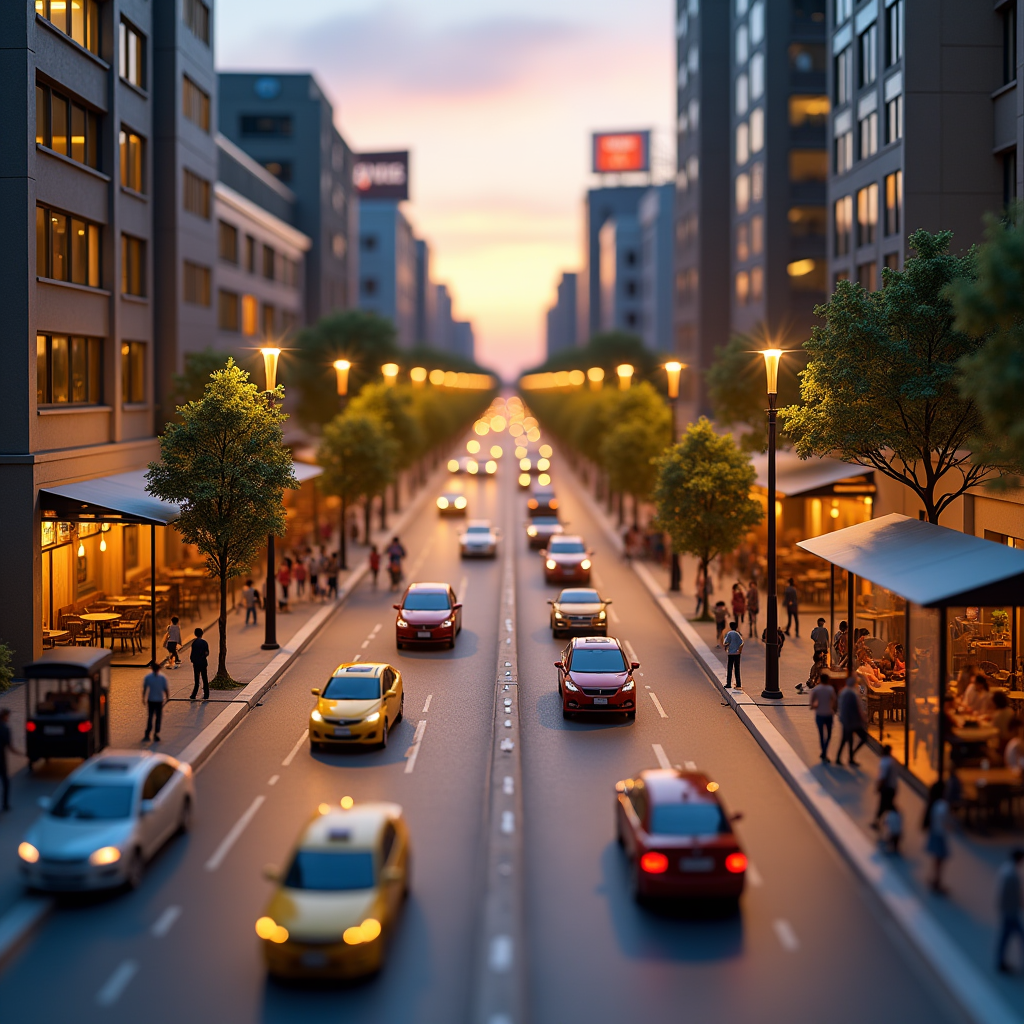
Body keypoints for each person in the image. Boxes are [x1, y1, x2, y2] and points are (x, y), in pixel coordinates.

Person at [995, 849, 1024, 973]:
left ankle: (1001, 961)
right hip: (1010, 912)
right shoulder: (1011, 874)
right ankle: (1001, 962)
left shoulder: (1006, 869)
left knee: (1005, 938)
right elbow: (1013, 895)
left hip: (1008, 911)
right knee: (1015, 936)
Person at [923, 781, 951, 894]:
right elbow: (945, 821)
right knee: (940, 860)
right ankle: (937, 881)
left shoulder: (934, 804)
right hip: (940, 835)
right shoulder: (943, 805)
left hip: (934, 833)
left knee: (936, 859)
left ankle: (934, 879)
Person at [836, 674, 868, 767]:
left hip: (846, 719)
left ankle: (845, 757)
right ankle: (851, 756)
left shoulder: (843, 692)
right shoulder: (852, 693)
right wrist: (863, 718)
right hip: (853, 721)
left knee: (846, 739)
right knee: (862, 737)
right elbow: (857, 708)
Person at [809, 672, 836, 762]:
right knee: (828, 735)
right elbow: (834, 701)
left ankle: (823, 751)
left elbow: (812, 702)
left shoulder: (816, 690)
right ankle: (824, 752)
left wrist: (814, 706)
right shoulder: (830, 689)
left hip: (819, 714)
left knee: (821, 734)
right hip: (828, 714)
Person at [0, 708, 22, 811]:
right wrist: (22, 754)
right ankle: (5, 805)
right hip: (1, 760)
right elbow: (10, 747)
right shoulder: (5, 729)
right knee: (5, 782)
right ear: (5, 716)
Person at [872, 744, 898, 829]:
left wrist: (878, 787)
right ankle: (886, 822)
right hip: (893, 787)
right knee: (888, 805)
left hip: (886, 787)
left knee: (883, 805)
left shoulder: (884, 762)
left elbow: (883, 777)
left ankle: (878, 822)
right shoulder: (892, 761)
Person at [142, 662, 170, 743]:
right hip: (159, 700)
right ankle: (156, 733)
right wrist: (167, 697)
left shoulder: (148, 677)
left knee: (150, 717)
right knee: (158, 717)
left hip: (151, 700)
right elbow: (165, 689)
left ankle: (148, 733)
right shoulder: (162, 678)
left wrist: (143, 698)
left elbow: (145, 689)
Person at [189, 627, 210, 701]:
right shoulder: (204, 642)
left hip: (196, 663)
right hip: (203, 663)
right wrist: (203, 657)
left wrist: (192, 659)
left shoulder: (194, 643)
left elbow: (192, 653)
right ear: (202, 634)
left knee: (197, 680)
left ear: (195, 634)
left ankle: (194, 694)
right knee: (205, 678)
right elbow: (207, 653)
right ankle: (206, 694)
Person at [723, 621, 744, 689]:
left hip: (731, 653)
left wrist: (726, 647)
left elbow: (726, 642)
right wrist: (739, 650)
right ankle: (738, 683)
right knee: (737, 668)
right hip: (737, 653)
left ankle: (728, 683)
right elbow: (741, 643)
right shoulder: (738, 634)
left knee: (730, 668)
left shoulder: (729, 633)